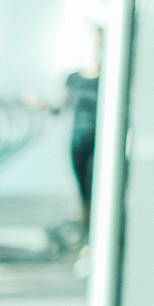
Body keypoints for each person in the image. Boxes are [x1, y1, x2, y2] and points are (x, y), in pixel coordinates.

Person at [67, 27, 103, 240]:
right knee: (82, 186)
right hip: (78, 138)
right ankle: (87, 233)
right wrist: (39, 104)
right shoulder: (73, 78)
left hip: (99, 138)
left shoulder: (109, 77)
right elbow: (61, 108)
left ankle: (93, 234)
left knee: (93, 184)